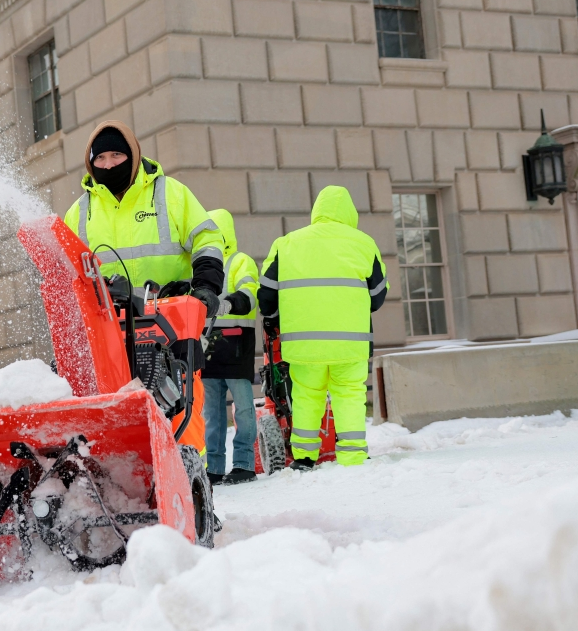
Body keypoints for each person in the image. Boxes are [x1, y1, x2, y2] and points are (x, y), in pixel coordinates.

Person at [63, 120, 225, 458]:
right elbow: (68, 275)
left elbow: (207, 240)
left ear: (133, 155)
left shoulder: (170, 193)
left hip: (173, 320)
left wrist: (206, 286)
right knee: (114, 413)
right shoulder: (79, 212)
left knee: (181, 406)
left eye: (116, 155)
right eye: (100, 158)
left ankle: (189, 481)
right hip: (110, 329)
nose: (109, 164)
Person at [258, 186, 387, 470]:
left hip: (303, 342)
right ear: (349, 213)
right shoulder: (364, 243)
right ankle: (353, 456)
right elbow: (378, 296)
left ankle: (304, 457)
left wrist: (277, 317)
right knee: (349, 395)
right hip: (350, 342)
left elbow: (266, 295)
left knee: (306, 395)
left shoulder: (287, 243)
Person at [201, 209, 259, 486]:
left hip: (236, 347)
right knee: (212, 415)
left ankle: (243, 465)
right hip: (209, 348)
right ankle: (214, 468)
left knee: (243, 410)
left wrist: (226, 304)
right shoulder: (198, 266)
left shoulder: (239, 261)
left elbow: (250, 294)